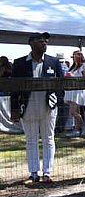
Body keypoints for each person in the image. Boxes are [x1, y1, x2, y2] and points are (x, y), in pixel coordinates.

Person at [10, 32, 64, 185]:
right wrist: (14, 108)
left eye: (45, 42)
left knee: (48, 139)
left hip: (49, 106)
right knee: (31, 140)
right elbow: (13, 88)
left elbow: (61, 85)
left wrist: (57, 101)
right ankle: (33, 172)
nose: (44, 44)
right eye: (41, 41)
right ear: (31, 44)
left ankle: (47, 172)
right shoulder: (20, 63)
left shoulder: (53, 62)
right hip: (27, 106)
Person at [64, 50, 85, 137]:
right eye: (73, 56)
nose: (74, 58)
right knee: (74, 112)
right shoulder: (74, 66)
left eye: (76, 56)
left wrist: (74, 77)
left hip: (80, 92)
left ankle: (84, 125)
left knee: (73, 112)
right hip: (72, 91)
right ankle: (77, 129)